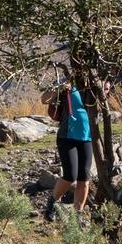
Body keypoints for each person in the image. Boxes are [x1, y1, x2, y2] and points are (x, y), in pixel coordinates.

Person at [46, 75, 94, 220]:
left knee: (84, 178)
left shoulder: (94, 83)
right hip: (67, 136)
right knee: (70, 176)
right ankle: (52, 202)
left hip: (87, 137)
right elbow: (44, 99)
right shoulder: (66, 81)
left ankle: (77, 216)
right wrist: (59, 88)